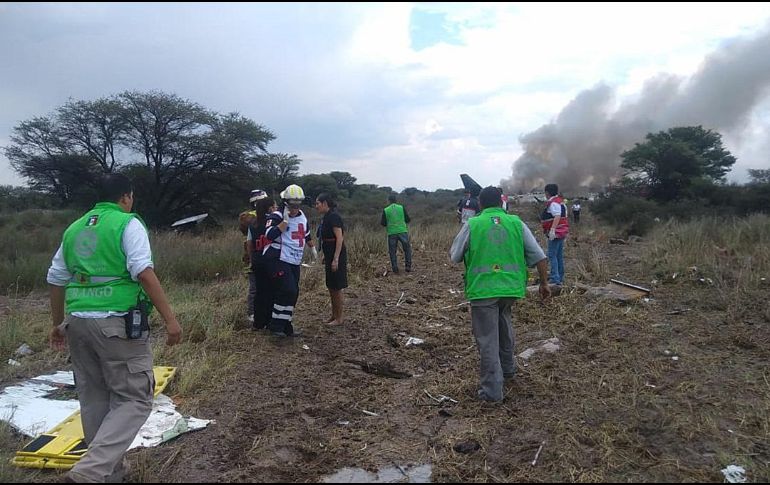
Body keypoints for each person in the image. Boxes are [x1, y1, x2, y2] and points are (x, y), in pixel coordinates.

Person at [47, 174, 182, 483]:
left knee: (94, 398)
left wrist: (57, 323)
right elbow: (143, 273)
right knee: (134, 399)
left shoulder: (74, 228)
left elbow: (56, 278)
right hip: (116, 324)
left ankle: (111, 474)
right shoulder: (127, 223)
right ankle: (89, 472)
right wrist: (171, 320)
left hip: (78, 323)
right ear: (125, 197)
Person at [450, 186, 550, 402]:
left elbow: (455, 256)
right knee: (505, 326)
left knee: (487, 341)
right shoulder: (516, 223)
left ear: (480, 204)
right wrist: (544, 284)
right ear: (501, 203)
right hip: (511, 289)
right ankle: (509, 370)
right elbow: (540, 257)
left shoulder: (473, 224)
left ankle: (492, 392)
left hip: (483, 290)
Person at [263, 184, 314, 337]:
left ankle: (286, 325)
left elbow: (306, 234)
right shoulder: (277, 216)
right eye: (292, 204)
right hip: (278, 258)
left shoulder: (302, 216)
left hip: (294, 259)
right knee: (287, 290)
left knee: (294, 293)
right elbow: (269, 235)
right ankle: (276, 325)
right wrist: (283, 224)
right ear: (286, 202)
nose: (295, 208)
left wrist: (312, 248)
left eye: (298, 204)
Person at [315, 193, 347, 325]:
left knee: (336, 286)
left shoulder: (334, 217)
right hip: (329, 253)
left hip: (336, 254)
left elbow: (339, 238)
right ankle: (334, 315)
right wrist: (325, 255)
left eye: (318, 203)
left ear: (325, 203)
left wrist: (335, 259)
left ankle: (339, 318)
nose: (316, 206)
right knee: (330, 286)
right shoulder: (326, 217)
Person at [247, 195, 278, 331]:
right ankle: (270, 321)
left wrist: (251, 258)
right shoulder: (272, 222)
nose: (277, 209)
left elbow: (249, 243)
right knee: (272, 292)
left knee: (259, 292)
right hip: (271, 261)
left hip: (257, 261)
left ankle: (258, 323)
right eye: (275, 206)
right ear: (270, 208)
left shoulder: (253, 224)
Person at [239, 189, 268, 324]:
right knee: (254, 287)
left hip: (263, 254)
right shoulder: (249, 217)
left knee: (262, 287)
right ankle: (252, 312)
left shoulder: (266, 215)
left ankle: (261, 311)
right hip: (254, 255)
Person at [541, 183, 570, 285]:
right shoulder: (561, 202)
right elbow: (564, 216)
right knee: (558, 255)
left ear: (547, 193)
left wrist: (552, 230)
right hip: (562, 231)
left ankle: (555, 278)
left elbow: (557, 216)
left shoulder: (553, 203)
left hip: (556, 232)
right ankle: (560, 277)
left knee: (551, 255)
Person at [381, 194, 413, 274]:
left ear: (388, 200)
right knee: (407, 249)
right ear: (396, 200)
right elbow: (408, 219)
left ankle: (395, 268)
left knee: (392, 251)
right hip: (402, 231)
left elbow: (383, 223)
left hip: (392, 232)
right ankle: (408, 266)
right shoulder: (401, 208)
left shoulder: (386, 210)